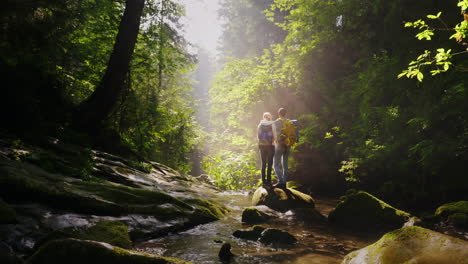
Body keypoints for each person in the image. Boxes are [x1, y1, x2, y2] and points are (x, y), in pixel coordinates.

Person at [272, 108, 295, 189]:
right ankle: (284, 182)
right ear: (285, 114)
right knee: (285, 164)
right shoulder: (290, 122)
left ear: (279, 114)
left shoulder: (277, 122)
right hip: (288, 144)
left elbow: (275, 134)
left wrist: (274, 142)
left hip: (280, 145)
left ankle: (281, 181)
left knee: (275, 164)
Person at [257, 112, 275, 187]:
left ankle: (263, 182)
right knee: (270, 164)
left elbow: (258, 136)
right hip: (270, 146)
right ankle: (269, 181)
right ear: (269, 117)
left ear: (263, 117)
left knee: (263, 163)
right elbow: (275, 135)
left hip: (262, 146)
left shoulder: (260, 125)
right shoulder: (272, 124)